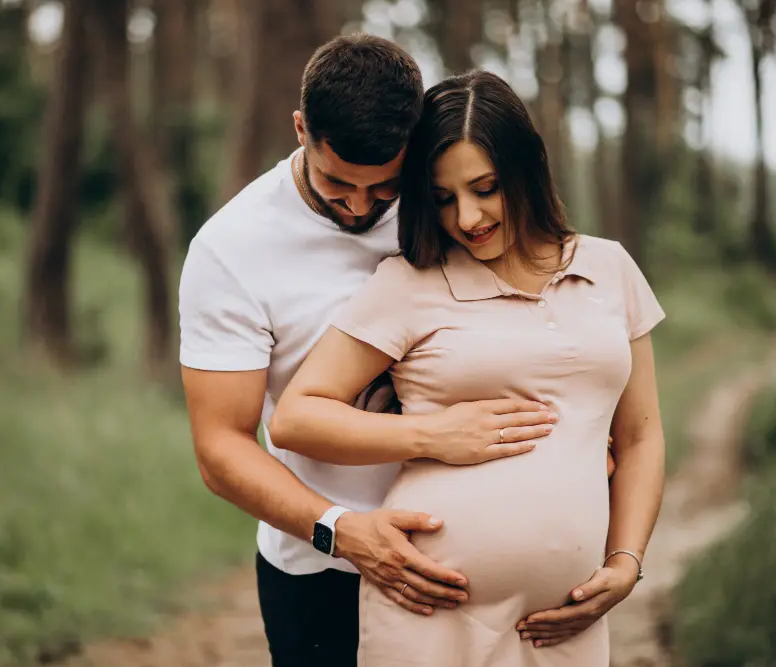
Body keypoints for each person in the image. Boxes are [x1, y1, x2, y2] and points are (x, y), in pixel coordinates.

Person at [179, 36, 566, 667]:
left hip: (476, 557)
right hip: (320, 567)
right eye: (338, 184)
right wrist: (342, 530)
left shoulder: (451, 207)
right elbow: (221, 447)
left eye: (384, 189)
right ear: (301, 128)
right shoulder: (231, 249)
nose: (360, 207)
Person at [270, 69, 667, 666]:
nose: (468, 217)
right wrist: (434, 436)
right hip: (431, 614)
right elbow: (296, 418)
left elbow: (640, 436)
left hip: (564, 623)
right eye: (443, 198)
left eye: (486, 188)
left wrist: (626, 562)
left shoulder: (608, 268)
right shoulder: (408, 284)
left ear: (527, 165)